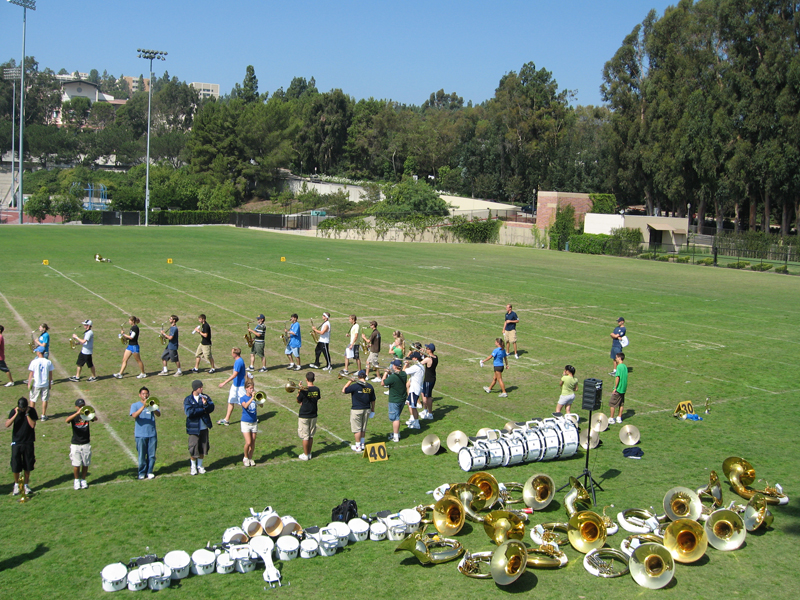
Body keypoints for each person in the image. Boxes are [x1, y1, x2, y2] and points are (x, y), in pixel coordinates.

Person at [6, 397, 36, 495]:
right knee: (16, 465)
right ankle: (16, 484)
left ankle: (26, 485)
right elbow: (7, 424)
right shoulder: (14, 411)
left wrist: (27, 414)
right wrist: (16, 414)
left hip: (28, 442)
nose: (22, 410)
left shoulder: (31, 411)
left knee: (27, 464)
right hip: (17, 442)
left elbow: (32, 425)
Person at [184, 379, 215, 475]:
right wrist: (202, 409)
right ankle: (193, 467)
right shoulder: (188, 399)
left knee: (203, 447)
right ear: (195, 388)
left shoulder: (205, 397)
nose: (202, 389)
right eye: (200, 387)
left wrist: (205, 404)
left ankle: (200, 466)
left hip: (204, 427)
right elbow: (190, 413)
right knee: (193, 448)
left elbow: (211, 408)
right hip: (194, 428)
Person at [65, 398, 95, 490]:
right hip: (76, 443)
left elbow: (95, 418)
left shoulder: (87, 414)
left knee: (86, 463)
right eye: (80, 406)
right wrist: (77, 414)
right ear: (76, 407)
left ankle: (83, 479)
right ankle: (76, 480)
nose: (82, 408)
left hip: (86, 442)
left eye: (83, 406)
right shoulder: (74, 416)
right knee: (76, 464)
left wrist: (90, 414)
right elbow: (67, 420)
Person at [130, 386, 159, 480]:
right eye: (143, 394)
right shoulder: (135, 405)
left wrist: (152, 407)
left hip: (151, 434)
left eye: (146, 393)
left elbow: (158, 414)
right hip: (140, 435)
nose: (145, 395)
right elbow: (134, 415)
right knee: (142, 455)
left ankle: (150, 471)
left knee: (152, 455)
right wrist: (143, 406)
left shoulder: (152, 404)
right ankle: (142, 472)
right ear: (139, 395)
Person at [343, 370, 375, 452]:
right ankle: (362, 444)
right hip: (367, 409)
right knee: (363, 428)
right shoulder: (370, 386)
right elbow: (373, 400)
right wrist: (372, 409)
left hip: (357, 410)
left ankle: (358, 446)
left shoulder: (355, 386)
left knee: (357, 429)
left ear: (358, 377)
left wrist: (350, 381)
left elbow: (344, 390)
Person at [218, 347, 247, 425]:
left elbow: (234, 375)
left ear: (234, 354)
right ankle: (226, 419)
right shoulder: (238, 361)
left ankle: (252, 417)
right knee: (231, 401)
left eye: (232, 352)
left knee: (245, 403)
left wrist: (224, 383)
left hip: (240, 386)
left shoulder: (239, 362)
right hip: (235, 385)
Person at [296, 371, 320, 461]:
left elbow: (298, 400)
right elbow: (316, 398)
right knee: (310, 435)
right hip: (313, 414)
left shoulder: (303, 390)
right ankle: (309, 453)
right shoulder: (317, 389)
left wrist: (299, 390)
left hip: (304, 415)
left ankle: (305, 455)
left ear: (306, 379)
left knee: (305, 436)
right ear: (314, 379)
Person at [381, 360, 407, 443]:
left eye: (393, 365)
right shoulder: (403, 374)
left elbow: (383, 383)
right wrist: (390, 373)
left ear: (395, 367)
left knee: (395, 418)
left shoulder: (393, 377)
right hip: (402, 399)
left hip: (394, 400)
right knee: (397, 416)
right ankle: (397, 433)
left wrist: (385, 373)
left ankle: (396, 436)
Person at [27, 346, 53, 421]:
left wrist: (29, 383)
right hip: (45, 384)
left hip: (36, 384)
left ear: (39, 352)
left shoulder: (34, 362)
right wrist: (50, 383)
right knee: (44, 399)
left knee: (33, 399)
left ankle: (32, 415)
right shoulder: (48, 362)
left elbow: (31, 373)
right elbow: (50, 373)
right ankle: (43, 415)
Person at [404, 352, 425, 430]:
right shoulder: (421, 366)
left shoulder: (416, 367)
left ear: (416, 358)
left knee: (413, 406)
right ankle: (413, 419)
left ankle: (416, 423)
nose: (411, 359)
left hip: (414, 389)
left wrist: (406, 365)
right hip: (416, 388)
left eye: (412, 358)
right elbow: (411, 374)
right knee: (410, 404)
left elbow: (404, 372)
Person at [239, 379, 258, 466]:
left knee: (253, 442)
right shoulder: (243, 398)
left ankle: (250, 458)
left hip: (254, 422)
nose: (252, 390)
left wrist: (257, 398)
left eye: (252, 388)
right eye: (250, 388)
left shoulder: (254, 397)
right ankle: (245, 457)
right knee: (248, 442)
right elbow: (245, 406)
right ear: (246, 388)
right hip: (245, 422)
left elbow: (261, 404)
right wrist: (252, 398)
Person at [419, 343, 438, 420]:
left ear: (430, 350)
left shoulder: (428, 359)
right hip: (431, 378)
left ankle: (430, 413)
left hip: (428, 379)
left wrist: (420, 355)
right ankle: (425, 410)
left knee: (428, 396)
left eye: (427, 348)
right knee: (423, 393)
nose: (425, 349)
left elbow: (420, 364)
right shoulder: (435, 357)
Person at [609, 353, 628, 424]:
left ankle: (611, 418)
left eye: (616, 357)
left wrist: (615, 387)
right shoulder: (625, 366)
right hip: (623, 388)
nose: (615, 359)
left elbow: (617, 377)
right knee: (621, 403)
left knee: (612, 403)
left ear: (619, 358)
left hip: (619, 388)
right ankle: (619, 417)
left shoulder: (619, 367)